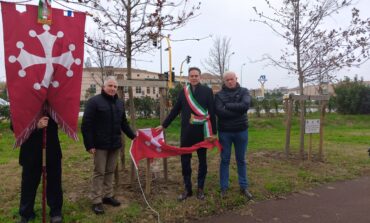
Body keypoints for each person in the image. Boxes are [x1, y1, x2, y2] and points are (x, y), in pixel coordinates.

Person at [156, 67, 217, 201]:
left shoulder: (207, 91)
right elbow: (175, 110)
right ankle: (187, 188)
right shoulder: (184, 92)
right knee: (185, 162)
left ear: (200, 77)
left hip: (202, 133)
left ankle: (200, 188)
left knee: (203, 161)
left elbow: (212, 112)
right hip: (187, 133)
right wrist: (164, 125)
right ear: (188, 78)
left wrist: (214, 133)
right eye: (192, 76)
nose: (194, 78)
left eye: (196, 75)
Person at [81, 76, 136, 214]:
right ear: (104, 87)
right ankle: (96, 200)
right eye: (110, 86)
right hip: (99, 145)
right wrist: (89, 144)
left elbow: (123, 123)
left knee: (110, 171)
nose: (112, 88)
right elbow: (86, 125)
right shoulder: (94, 102)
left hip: (115, 144)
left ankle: (107, 195)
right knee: (99, 172)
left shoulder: (119, 103)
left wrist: (134, 136)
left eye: (115, 86)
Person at [14, 116, 63, 223]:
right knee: (28, 184)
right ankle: (26, 213)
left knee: (54, 183)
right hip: (30, 151)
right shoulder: (23, 104)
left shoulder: (53, 103)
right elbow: (14, 125)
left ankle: (55, 212)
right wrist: (35, 125)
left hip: (51, 149)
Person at [215, 71, 253, 200]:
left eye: (232, 79)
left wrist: (228, 106)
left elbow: (245, 105)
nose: (230, 81)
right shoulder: (219, 95)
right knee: (224, 160)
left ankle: (244, 186)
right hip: (225, 132)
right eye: (227, 80)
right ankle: (224, 188)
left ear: (236, 79)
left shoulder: (244, 91)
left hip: (241, 131)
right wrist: (238, 111)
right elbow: (220, 112)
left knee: (241, 160)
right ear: (224, 81)